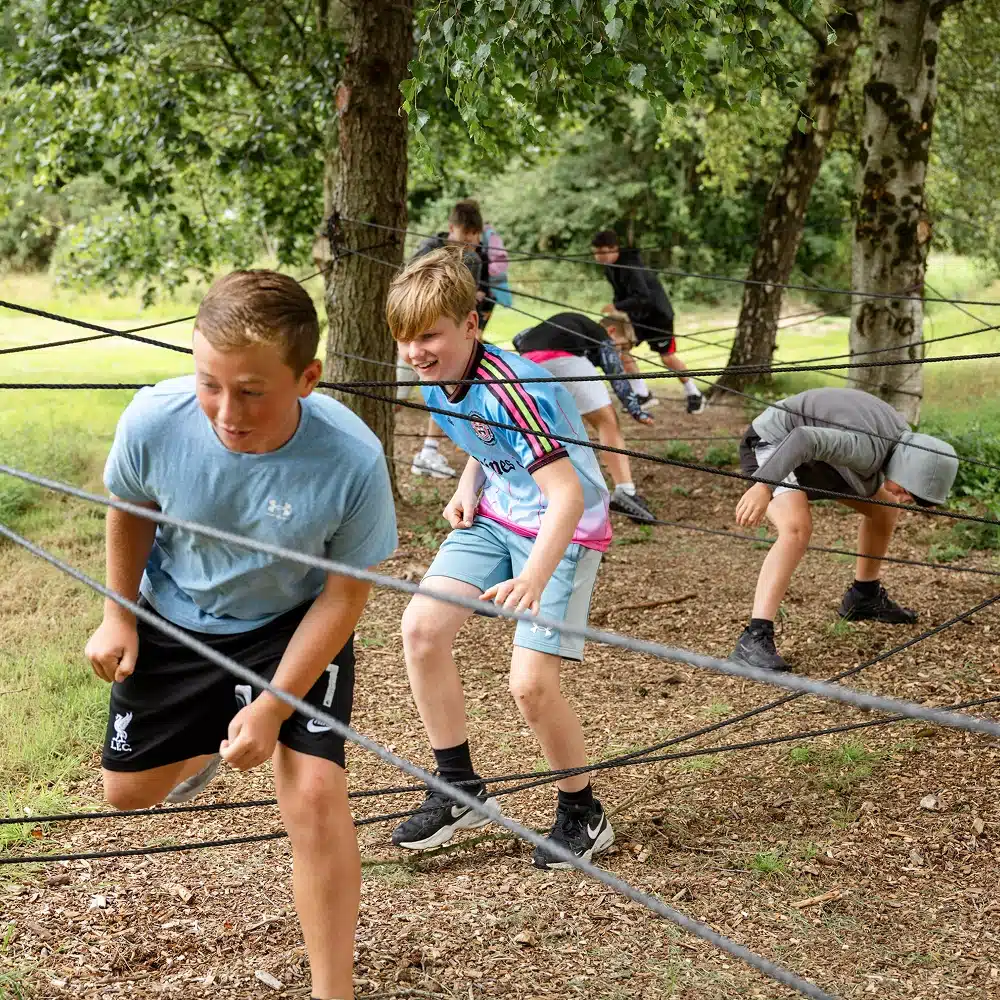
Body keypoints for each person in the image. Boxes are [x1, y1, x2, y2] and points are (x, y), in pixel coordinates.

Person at [84, 270, 398, 1000]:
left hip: (288, 624)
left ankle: (333, 990)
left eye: (252, 390)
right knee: (126, 793)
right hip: (176, 615)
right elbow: (129, 508)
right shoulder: (155, 419)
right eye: (209, 384)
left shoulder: (352, 458)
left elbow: (345, 594)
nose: (227, 411)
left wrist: (273, 705)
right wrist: (117, 612)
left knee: (316, 796)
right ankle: (209, 736)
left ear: (308, 377)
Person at [384, 247, 615, 870]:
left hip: (561, 529)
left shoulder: (517, 389)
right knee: (422, 629)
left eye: (429, 335)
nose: (416, 352)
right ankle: (458, 785)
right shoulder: (442, 380)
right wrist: (468, 486)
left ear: (471, 326)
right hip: (499, 514)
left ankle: (582, 812)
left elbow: (565, 493)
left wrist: (532, 579)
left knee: (531, 685)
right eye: (405, 339)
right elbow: (483, 440)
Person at [730, 387, 959, 672]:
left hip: (817, 460)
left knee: (886, 509)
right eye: (909, 491)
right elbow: (802, 438)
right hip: (773, 442)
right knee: (796, 529)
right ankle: (754, 637)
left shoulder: (900, 441)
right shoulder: (865, 449)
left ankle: (864, 595)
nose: (906, 498)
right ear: (907, 470)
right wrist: (763, 486)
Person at [513, 310, 657, 522]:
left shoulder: (565, 325)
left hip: (527, 364)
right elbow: (615, 373)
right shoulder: (600, 334)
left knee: (554, 429)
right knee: (607, 421)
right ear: (612, 330)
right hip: (563, 360)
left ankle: (549, 494)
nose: (620, 354)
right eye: (622, 347)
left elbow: (519, 338)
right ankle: (625, 490)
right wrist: (636, 409)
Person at [405, 200, 492, 479]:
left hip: (457, 333)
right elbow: (409, 289)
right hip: (422, 329)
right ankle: (430, 451)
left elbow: (469, 303)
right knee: (440, 385)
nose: (471, 241)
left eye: (475, 235)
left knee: (457, 385)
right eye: (466, 234)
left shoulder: (474, 259)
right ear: (452, 228)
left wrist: (473, 331)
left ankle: (444, 449)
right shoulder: (428, 250)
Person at [590, 229, 705, 415]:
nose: (598, 257)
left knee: (667, 357)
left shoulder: (631, 266)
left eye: (602, 252)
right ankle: (643, 395)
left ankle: (694, 393)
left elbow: (643, 297)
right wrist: (617, 310)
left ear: (614, 249)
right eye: (596, 252)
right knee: (620, 348)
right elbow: (621, 294)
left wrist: (616, 306)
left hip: (658, 317)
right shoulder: (610, 267)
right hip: (636, 317)